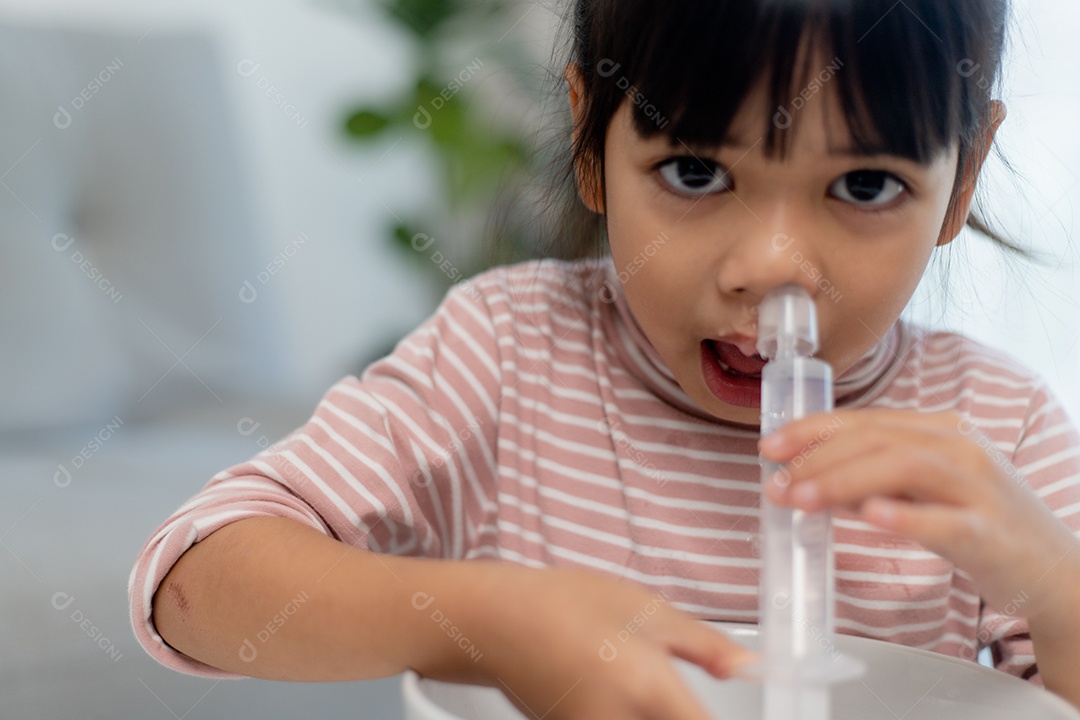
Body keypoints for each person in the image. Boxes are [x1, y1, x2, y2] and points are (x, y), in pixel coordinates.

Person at [129, 0, 1080, 717]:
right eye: (696, 172)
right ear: (591, 139)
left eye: (866, 184)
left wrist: (1048, 577)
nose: (773, 270)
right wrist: (487, 621)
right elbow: (191, 582)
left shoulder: (996, 427)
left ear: (964, 178)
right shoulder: (507, 353)